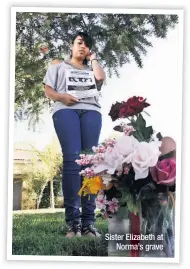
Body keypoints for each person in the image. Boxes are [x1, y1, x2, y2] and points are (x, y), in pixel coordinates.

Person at [43, 32, 106, 238]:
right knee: (72, 160)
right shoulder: (57, 66)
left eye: (87, 45)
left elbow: (100, 78)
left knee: (90, 164)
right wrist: (62, 97)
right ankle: (73, 223)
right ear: (72, 45)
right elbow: (49, 91)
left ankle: (88, 223)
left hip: (91, 111)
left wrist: (94, 57)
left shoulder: (91, 69)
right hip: (65, 110)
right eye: (79, 43)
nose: (82, 47)